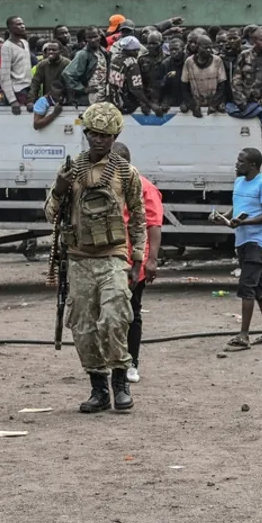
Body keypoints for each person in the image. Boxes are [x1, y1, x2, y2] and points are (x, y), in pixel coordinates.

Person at [44, 103, 146, 412]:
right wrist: (60, 189)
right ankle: (98, 388)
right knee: (84, 326)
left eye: (105, 135)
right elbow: (50, 214)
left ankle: (120, 383)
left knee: (115, 318)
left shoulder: (126, 173)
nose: (99, 140)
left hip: (112, 256)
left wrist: (138, 259)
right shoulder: (70, 170)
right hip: (79, 258)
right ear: (86, 134)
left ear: (115, 137)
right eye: (94, 134)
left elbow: (138, 217)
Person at [213, 147, 262, 352]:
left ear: (252, 165)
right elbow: (237, 207)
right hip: (243, 240)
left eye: (241, 161)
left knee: (247, 287)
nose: (237, 164)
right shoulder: (239, 182)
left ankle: (244, 335)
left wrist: (245, 222)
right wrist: (223, 217)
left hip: (258, 242)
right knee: (259, 288)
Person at [119, 144, 162, 383]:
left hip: (134, 261)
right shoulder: (104, 185)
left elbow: (153, 224)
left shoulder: (144, 187)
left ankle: (131, 363)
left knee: (132, 313)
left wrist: (151, 260)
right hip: (109, 260)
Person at [93, 36, 154, 114]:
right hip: (126, 105)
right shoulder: (132, 62)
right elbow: (136, 89)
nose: (137, 53)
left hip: (113, 103)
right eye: (136, 50)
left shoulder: (115, 59)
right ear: (131, 50)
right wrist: (149, 104)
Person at [229, 31, 262, 124]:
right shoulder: (244, 55)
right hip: (244, 100)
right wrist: (240, 101)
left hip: (260, 102)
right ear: (254, 40)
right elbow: (236, 79)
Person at [182, 34, 228, 117]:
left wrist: (214, 104)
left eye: (210, 47)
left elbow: (221, 86)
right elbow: (184, 87)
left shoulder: (217, 60)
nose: (209, 50)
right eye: (205, 48)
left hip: (214, 104)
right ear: (198, 47)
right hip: (196, 103)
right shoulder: (189, 62)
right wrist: (193, 105)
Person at [32, 42, 71, 129]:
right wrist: (31, 100)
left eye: (54, 50)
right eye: (49, 50)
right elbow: (35, 83)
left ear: (60, 51)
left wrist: (70, 101)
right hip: (48, 102)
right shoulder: (42, 64)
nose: (51, 52)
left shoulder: (67, 64)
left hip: (64, 101)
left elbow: (70, 84)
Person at [63, 27, 106, 107]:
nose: (93, 40)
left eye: (95, 36)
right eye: (89, 37)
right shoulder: (83, 54)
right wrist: (83, 89)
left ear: (100, 36)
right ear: (86, 39)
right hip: (89, 99)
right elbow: (67, 74)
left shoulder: (104, 52)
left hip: (103, 98)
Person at [0, 16, 33, 114]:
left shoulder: (25, 43)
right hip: (17, 90)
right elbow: (4, 76)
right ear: (10, 28)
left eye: (23, 24)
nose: (22, 26)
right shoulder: (6, 47)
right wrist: (12, 100)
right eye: (18, 24)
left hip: (29, 89)